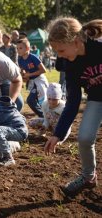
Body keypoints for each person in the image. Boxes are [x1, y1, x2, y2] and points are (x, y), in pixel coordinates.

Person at [44, 17, 102, 197]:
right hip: (97, 98)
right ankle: (88, 177)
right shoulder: (71, 64)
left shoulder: (99, 48)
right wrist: (58, 134)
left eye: (61, 50)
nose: (59, 55)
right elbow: (73, 101)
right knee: (84, 137)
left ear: (76, 42)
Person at [17, 38, 48, 117]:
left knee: (33, 100)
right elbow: (23, 71)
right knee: (33, 101)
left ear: (27, 48)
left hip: (39, 81)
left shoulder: (33, 57)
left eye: (20, 48)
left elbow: (43, 70)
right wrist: (23, 78)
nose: (18, 50)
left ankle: (45, 116)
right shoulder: (20, 59)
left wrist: (29, 75)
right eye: (17, 48)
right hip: (32, 82)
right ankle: (44, 116)